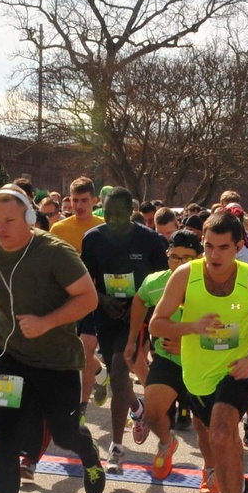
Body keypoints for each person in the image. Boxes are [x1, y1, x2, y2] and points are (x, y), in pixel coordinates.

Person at [0, 184, 105, 493]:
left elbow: (88, 298)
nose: (1, 228)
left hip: (58, 363)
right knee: (6, 438)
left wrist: (46, 322)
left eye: (9, 220)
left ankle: (88, 453)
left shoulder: (55, 252)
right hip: (10, 361)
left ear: (28, 218)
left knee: (65, 433)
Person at [150, 211, 248, 493]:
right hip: (198, 376)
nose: (215, 255)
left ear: (239, 247)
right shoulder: (185, 276)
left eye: (223, 248)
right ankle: (239, 487)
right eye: (209, 247)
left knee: (220, 433)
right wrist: (191, 327)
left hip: (238, 370)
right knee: (226, 442)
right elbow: (157, 324)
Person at [80, 186, 169, 470]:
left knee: (119, 372)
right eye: (108, 214)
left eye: (119, 214)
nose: (113, 220)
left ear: (131, 212)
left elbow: (164, 284)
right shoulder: (93, 239)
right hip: (106, 314)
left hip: (136, 318)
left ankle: (116, 448)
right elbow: (86, 281)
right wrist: (103, 300)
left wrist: (143, 308)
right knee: (118, 378)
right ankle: (137, 409)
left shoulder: (151, 241)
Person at [126, 229, 202, 479]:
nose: (180, 263)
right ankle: (166, 443)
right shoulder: (155, 282)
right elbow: (139, 301)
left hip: (204, 361)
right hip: (168, 358)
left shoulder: (213, 285)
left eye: (187, 258)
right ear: (167, 255)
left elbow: (228, 329)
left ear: (200, 257)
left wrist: (188, 344)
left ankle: (211, 469)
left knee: (205, 425)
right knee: (153, 411)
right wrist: (132, 340)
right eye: (174, 257)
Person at [50, 176, 106, 422]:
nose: (79, 205)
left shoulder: (104, 227)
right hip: (66, 299)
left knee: (86, 346)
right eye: (75, 200)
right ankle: (99, 372)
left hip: (95, 299)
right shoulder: (58, 230)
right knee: (73, 352)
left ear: (94, 201)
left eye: (84, 200)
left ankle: (81, 407)